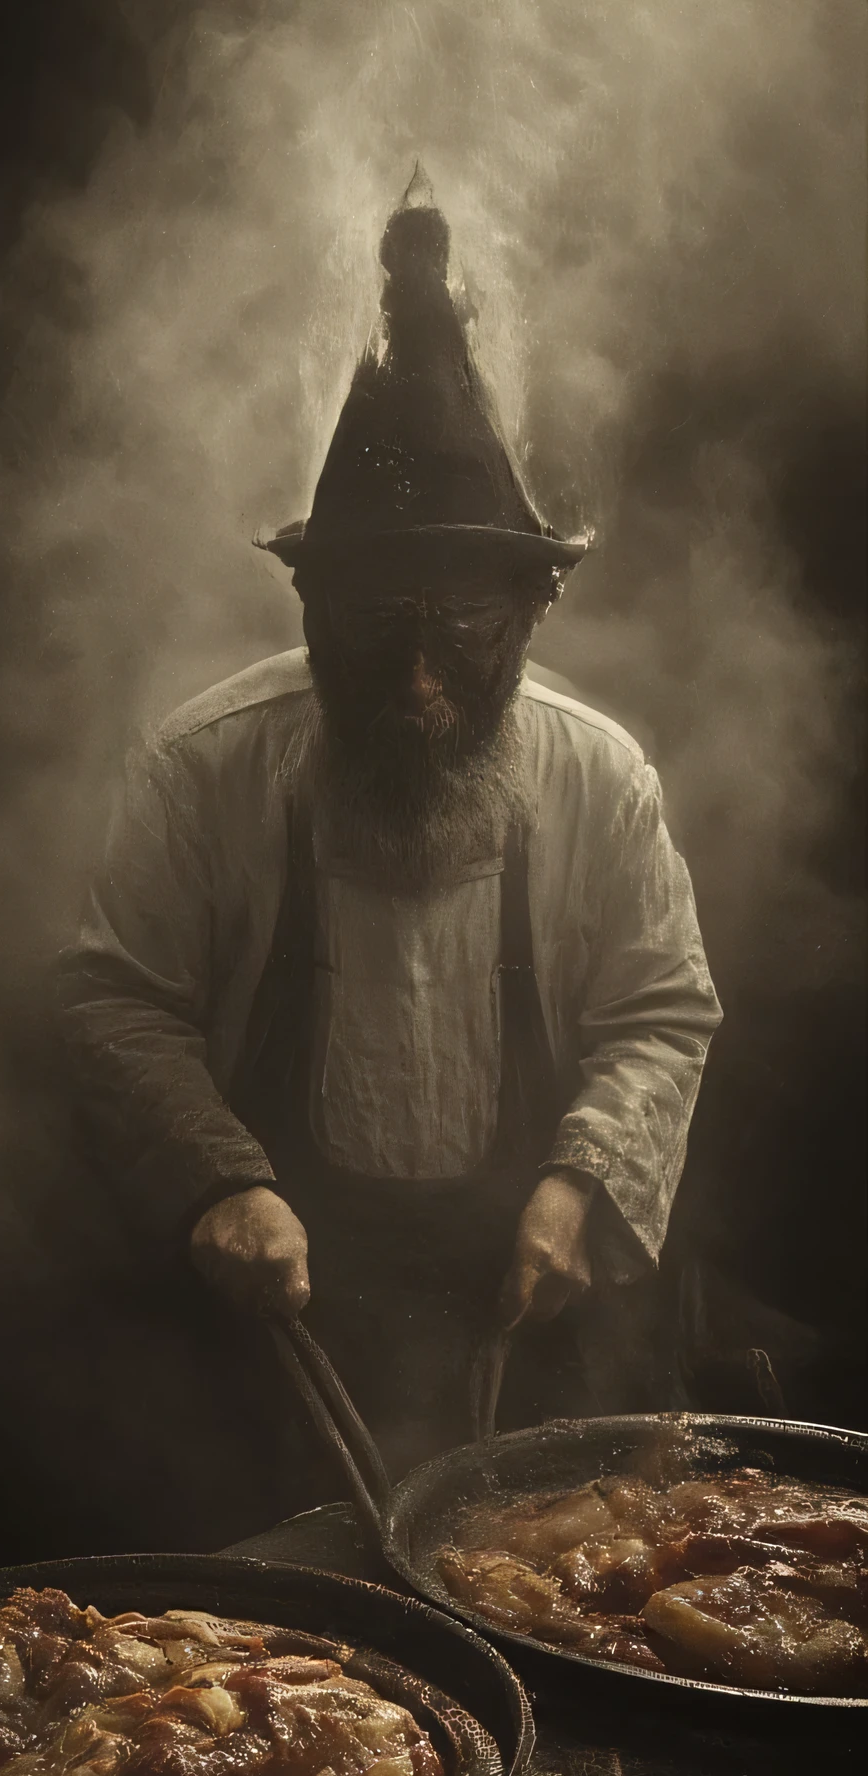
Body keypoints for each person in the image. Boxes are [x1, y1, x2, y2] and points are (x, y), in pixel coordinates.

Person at [58, 190, 722, 1499]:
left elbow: (660, 1012)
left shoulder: (601, 778)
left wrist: (585, 1185)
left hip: (525, 1324)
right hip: (267, 1338)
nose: (417, 688)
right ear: (312, 608)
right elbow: (112, 1001)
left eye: (461, 634)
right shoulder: (202, 770)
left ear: (529, 611)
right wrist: (214, 1182)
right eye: (374, 635)